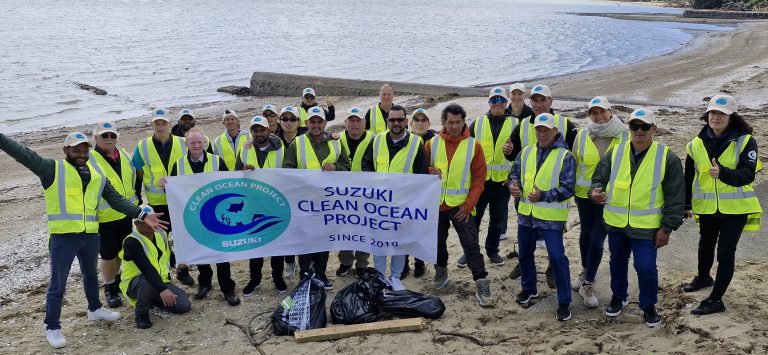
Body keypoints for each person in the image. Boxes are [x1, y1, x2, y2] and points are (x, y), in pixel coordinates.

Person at [0, 131, 166, 348]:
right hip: (64, 237)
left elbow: (116, 200)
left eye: (84, 150)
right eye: (76, 150)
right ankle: (52, 326)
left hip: (90, 235)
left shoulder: (96, 174)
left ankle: (95, 309)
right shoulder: (52, 169)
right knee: (58, 284)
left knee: (90, 275)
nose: (81, 154)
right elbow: (22, 154)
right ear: (66, 150)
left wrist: (141, 214)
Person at [590, 108, 684, 328]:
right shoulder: (616, 152)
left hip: (647, 227)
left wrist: (667, 228)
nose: (639, 131)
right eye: (634, 126)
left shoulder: (667, 157)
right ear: (629, 128)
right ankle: (619, 296)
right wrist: (595, 191)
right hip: (616, 223)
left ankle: (648, 305)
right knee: (617, 262)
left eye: (644, 127)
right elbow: (599, 178)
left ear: (654, 129)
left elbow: (676, 198)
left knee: (646, 267)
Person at [682, 95, 762, 315]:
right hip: (707, 207)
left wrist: (723, 173)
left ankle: (716, 299)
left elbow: (747, 175)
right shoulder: (695, 143)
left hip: (736, 209)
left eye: (721, 114)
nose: (715, 117)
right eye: (712, 113)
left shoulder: (746, 141)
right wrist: (685, 205)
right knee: (705, 245)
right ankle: (703, 277)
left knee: (726, 252)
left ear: (731, 117)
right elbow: (688, 177)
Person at [509, 84, 578, 287]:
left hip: (552, 199)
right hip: (526, 195)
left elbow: (575, 152)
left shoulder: (565, 124)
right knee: (526, 238)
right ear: (531, 102)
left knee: (554, 242)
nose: (539, 104)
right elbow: (514, 155)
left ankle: (551, 269)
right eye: (535, 100)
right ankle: (524, 266)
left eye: (543, 100)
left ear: (551, 101)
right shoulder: (523, 124)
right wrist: (512, 173)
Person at [425, 103, 494, 307]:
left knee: (471, 246)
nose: (454, 126)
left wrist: (468, 205)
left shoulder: (474, 145)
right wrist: (429, 170)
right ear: (443, 123)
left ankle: (481, 282)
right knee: (437, 243)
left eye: (458, 122)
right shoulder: (432, 143)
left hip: (462, 207)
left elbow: (479, 179)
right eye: (450, 122)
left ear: (464, 122)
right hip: (437, 204)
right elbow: (421, 168)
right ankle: (441, 274)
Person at [161, 128, 239, 306]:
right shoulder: (178, 165)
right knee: (200, 250)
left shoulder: (216, 161)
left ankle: (228, 288)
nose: (196, 145)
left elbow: (227, 185)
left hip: (216, 215)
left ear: (205, 143)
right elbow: (173, 191)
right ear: (186, 144)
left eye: (199, 142)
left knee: (221, 254)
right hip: (193, 216)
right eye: (192, 142)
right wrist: (165, 185)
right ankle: (204, 284)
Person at [361, 105, 429, 291]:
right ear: (387, 121)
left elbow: (421, 174)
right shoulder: (376, 141)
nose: (396, 123)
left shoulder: (416, 143)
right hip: (379, 205)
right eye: (392, 120)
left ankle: (396, 277)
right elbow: (366, 165)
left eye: (400, 120)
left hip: (403, 204)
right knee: (380, 242)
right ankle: (380, 277)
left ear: (406, 122)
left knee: (399, 243)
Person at [283, 106, 351, 289]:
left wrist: (336, 168)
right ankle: (306, 274)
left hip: (328, 202)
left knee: (323, 239)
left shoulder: (336, 143)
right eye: (312, 121)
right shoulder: (296, 144)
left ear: (325, 123)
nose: (316, 125)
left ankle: (320, 272)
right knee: (305, 240)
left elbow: (347, 167)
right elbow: (287, 170)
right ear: (306, 123)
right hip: (304, 203)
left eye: (319, 121)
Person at [571, 97, 629, 309]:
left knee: (597, 237)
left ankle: (588, 283)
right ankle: (586, 270)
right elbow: (575, 163)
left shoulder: (624, 135)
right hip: (584, 194)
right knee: (585, 234)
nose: (599, 116)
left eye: (602, 112)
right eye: (594, 113)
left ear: (610, 111)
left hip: (609, 197)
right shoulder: (582, 135)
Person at [132, 108, 195, 285]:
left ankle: (183, 270)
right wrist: (137, 195)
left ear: (169, 123)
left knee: (183, 235)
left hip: (180, 199)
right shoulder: (142, 145)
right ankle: (164, 270)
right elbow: (137, 171)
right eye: (156, 123)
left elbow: (197, 160)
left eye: (163, 123)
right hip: (157, 201)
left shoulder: (183, 143)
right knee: (160, 237)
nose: (160, 126)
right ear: (151, 125)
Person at [457, 87, 516, 268]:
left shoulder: (516, 124)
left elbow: (523, 154)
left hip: (502, 182)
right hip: (479, 182)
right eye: (493, 100)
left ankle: (492, 250)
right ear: (488, 102)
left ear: (506, 103)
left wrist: (513, 175)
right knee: (474, 218)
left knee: (497, 220)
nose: (497, 103)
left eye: (501, 100)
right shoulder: (478, 123)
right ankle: (470, 252)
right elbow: (465, 149)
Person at [88, 122, 141, 309]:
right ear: (95, 138)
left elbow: (135, 179)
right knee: (108, 254)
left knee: (122, 250)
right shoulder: (89, 159)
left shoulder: (124, 156)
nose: (109, 139)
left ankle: (118, 280)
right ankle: (109, 288)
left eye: (112, 135)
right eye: (104, 136)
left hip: (125, 213)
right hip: (104, 217)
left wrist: (136, 204)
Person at [236, 116, 289, 295]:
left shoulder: (282, 149)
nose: (259, 133)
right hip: (252, 204)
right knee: (255, 244)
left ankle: (277, 277)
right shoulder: (245, 150)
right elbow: (235, 175)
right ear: (251, 132)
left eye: (262, 130)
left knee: (277, 244)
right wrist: (242, 172)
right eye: (255, 130)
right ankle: (255, 279)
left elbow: (290, 172)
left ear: (269, 130)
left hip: (275, 204)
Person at [120, 205, 191, 329]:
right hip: (136, 282)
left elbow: (167, 254)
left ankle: (152, 298)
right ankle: (141, 313)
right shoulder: (131, 241)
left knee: (183, 306)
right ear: (137, 223)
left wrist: (178, 263)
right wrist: (163, 290)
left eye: (153, 220)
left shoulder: (161, 233)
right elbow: (146, 268)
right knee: (148, 281)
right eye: (147, 221)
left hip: (159, 280)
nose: (151, 224)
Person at [335, 107, 373, 279]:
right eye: (351, 120)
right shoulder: (337, 139)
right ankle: (345, 262)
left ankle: (362, 264)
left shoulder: (374, 140)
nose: (355, 124)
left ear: (364, 123)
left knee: (364, 229)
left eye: (358, 120)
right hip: (342, 195)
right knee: (345, 228)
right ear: (346, 123)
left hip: (367, 194)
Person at [401, 107, 435, 278]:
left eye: (424, 120)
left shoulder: (436, 141)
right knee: (404, 228)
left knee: (421, 229)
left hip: (425, 194)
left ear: (429, 123)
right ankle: (404, 263)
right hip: (406, 192)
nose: (420, 123)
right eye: (417, 120)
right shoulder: (404, 140)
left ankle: (420, 262)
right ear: (411, 123)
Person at [499, 83, 535, 241]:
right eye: (514, 94)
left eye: (520, 94)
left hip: (526, 166)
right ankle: (502, 230)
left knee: (522, 200)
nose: (517, 97)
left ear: (525, 96)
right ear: (509, 95)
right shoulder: (503, 114)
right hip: (504, 164)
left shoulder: (531, 114)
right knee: (502, 202)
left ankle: (535, 234)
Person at [275, 105, 306, 277]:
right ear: (279, 121)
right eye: (285, 119)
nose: (289, 123)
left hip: (301, 192)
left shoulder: (306, 139)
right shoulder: (272, 140)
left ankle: (303, 262)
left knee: (301, 229)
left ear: (298, 122)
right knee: (284, 229)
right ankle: (289, 262)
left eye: (292, 119)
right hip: (280, 193)